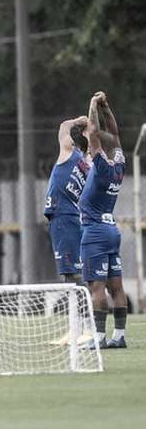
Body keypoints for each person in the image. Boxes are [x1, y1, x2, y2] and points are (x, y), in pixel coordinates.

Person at [80, 92, 127, 349]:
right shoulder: (119, 165)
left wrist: (92, 106)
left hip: (95, 230)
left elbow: (96, 132)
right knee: (116, 287)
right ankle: (119, 336)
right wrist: (106, 107)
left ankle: (98, 338)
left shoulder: (100, 168)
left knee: (95, 286)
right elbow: (114, 134)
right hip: (111, 229)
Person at [44, 116, 90, 283]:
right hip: (73, 216)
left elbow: (64, 125)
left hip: (63, 215)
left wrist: (77, 121)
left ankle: (82, 307)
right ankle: (85, 305)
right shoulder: (87, 167)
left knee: (72, 272)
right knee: (78, 269)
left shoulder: (69, 154)